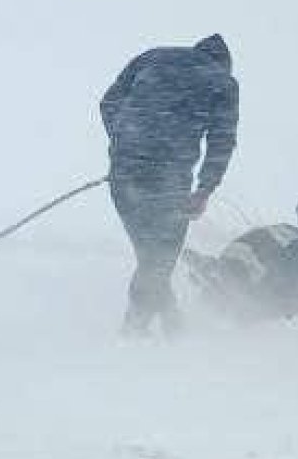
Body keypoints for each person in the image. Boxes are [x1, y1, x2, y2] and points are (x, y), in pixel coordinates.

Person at [98, 34, 238, 336]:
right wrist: (204, 189)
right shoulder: (223, 81)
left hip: (124, 176)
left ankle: (172, 324)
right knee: (158, 261)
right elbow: (222, 142)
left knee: (152, 258)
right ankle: (133, 333)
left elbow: (108, 102)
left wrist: (123, 145)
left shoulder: (152, 57)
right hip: (169, 180)